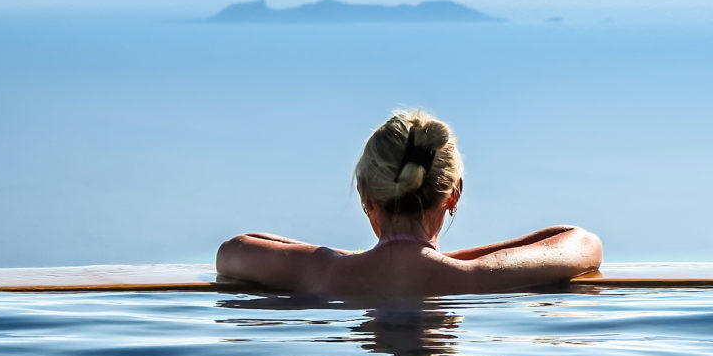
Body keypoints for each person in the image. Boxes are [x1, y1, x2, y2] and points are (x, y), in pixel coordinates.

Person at [216, 109, 602, 297]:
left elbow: (233, 250)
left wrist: (350, 259)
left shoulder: (323, 273)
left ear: (367, 196)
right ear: (454, 194)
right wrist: (455, 262)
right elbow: (581, 241)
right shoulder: (480, 277)